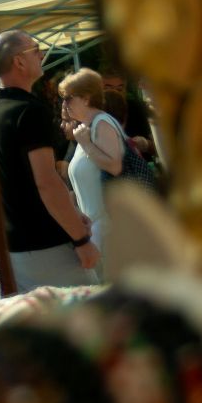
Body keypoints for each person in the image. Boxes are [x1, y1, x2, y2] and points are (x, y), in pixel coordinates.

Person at [0, 31, 100, 291]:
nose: (42, 55)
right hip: (44, 246)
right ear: (19, 61)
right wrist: (81, 241)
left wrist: (72, 214)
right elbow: (45, 182)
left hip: (6, 247)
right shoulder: (29, 111)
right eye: (35, 50)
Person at [58, 68, 125, 282]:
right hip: (100, 226)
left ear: (86, 98)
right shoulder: (88, 127)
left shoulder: (101, 123)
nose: (64, 104)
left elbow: (115, 166)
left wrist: (85, 143)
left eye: (68, 98)